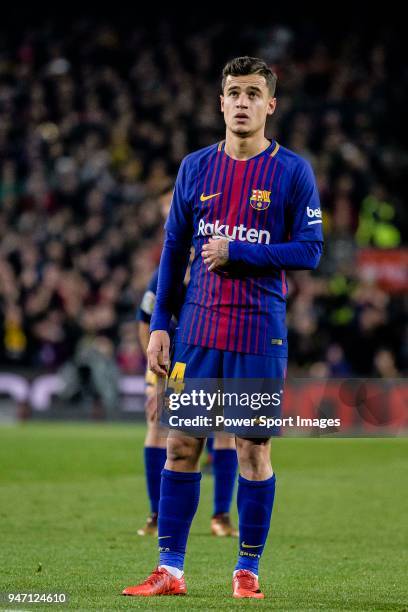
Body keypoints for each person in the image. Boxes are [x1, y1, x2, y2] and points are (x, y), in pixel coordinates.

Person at [123, 56, 323, 599]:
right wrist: (161, 325)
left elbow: (310, 249)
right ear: (220, 102)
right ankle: (170, 570)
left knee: (252, 449)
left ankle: (247, 571)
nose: (241, 102)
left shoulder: (292, 171)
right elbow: (172, 251)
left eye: (253, 93)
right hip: (198, 333)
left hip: (259, 333)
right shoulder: (194, 168)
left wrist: (241, 251)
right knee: (181, 446)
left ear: (269, 105)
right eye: (233, 92)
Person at [137, 263, 238, 537]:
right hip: (170, 361)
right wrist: (158, 380)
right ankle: (156, 515)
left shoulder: (222, 272)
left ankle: (221, 516)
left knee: (225, 429)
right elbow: (145, 322)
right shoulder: (163, 276)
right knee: (159, 427)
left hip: (210, 355)